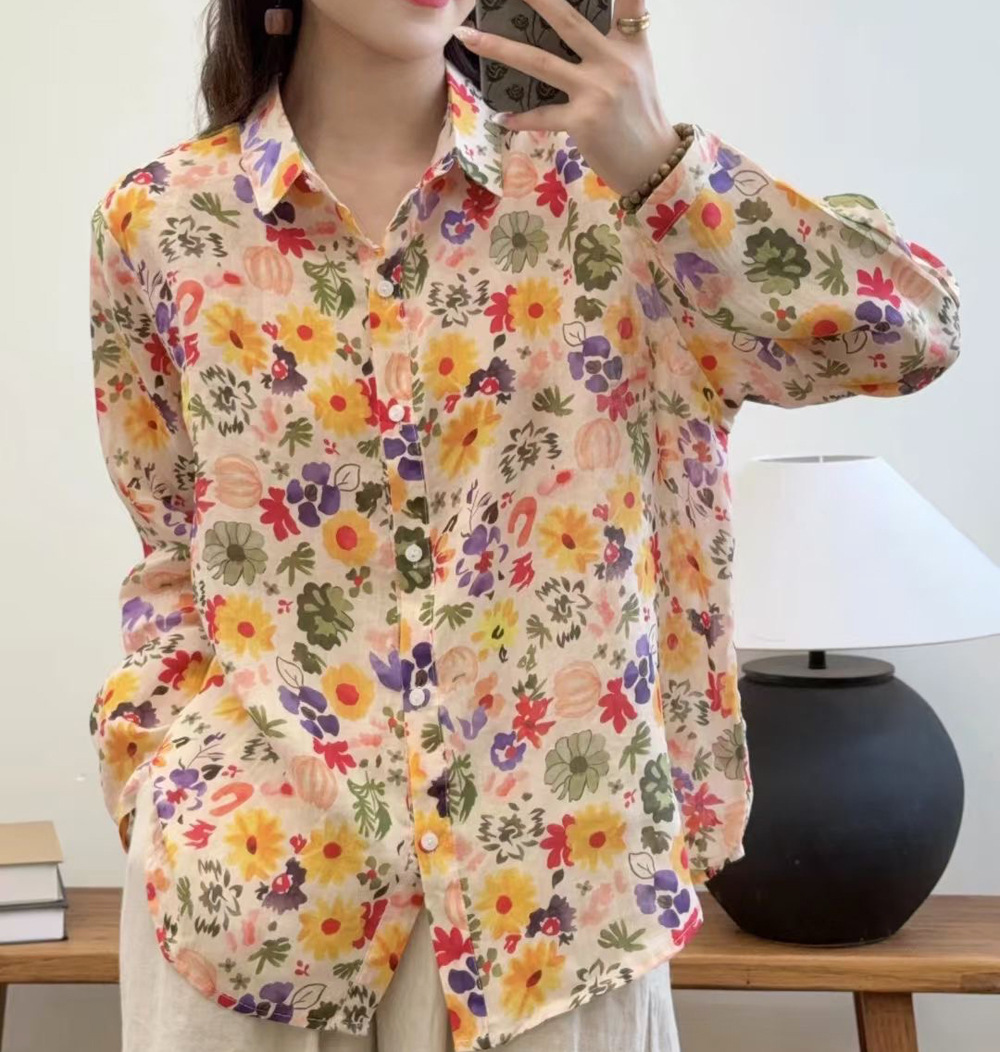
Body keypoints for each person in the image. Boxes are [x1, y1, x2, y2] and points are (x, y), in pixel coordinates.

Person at [87, 1, 961, 1050]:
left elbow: (909, 335)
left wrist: (661, 167)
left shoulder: (612, 200)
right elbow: (174, 550)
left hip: (556, 903)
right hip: (254, 898)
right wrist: (160, 777)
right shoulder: (161, 221)